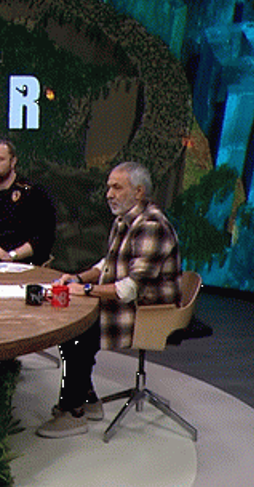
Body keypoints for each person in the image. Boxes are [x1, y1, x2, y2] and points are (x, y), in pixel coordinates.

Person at [36, 161, 183, 438]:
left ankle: (72, 412)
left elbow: (131, 288)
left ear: (139, 192)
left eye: (117, 187)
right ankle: (86, 397)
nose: (109, 194)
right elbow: (107, 264)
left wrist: (86, 290)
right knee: (72, 326)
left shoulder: (151, 225)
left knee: (78, 332)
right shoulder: (123, 220)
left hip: (147, 311)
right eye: (108, 187)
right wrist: (77, 278)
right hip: (127, 301)